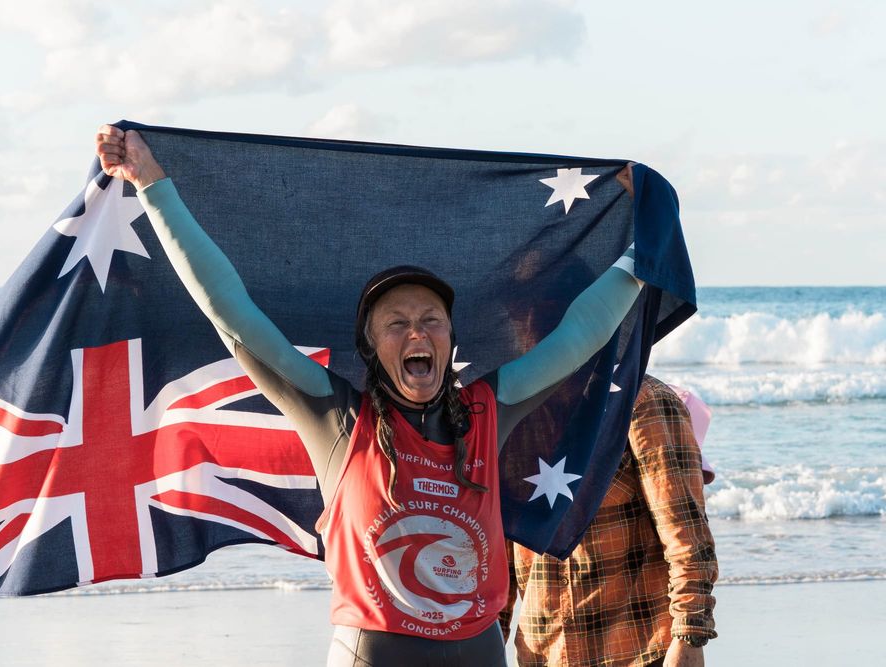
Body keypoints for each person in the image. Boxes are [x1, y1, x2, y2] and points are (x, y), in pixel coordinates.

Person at [95, 125, 645, 666]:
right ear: (369, 345)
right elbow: (230, 309)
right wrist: (152, 184)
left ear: (452, 339)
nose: (416, 333)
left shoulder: (486, 412)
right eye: (396, 323)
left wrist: (648, 243)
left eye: (432, 320)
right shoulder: (336, 415)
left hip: (480, 652)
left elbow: (581, 335)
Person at [500, 375, 718, 667]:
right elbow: (497, 562)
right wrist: (486, 644)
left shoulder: (641, 400)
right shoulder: (511, 409)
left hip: (638, 653)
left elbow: (685, 533)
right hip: (542, 654)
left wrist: (690, 633)